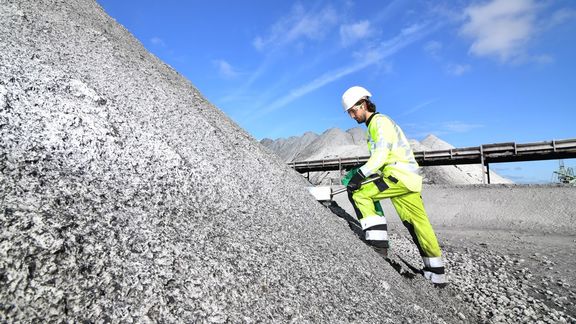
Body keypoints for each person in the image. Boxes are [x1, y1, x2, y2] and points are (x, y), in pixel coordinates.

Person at [341, 85, 447, 287]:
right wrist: (362, 170)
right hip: (409, 179)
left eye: (353, 111)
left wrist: (361, 175)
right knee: (418, 225)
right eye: (349, 113)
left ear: (363, 105)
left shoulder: (378, 123)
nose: (352, 116)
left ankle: (378, 246)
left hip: (397, 175)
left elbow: (381, 155)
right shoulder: (380, 124)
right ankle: (437, 274)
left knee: (361, 193)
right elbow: (382, 156)